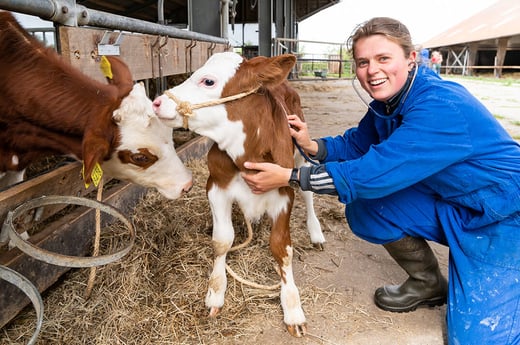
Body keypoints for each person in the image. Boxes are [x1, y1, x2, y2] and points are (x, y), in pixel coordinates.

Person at [241, 17, 520, 344]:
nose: (372, 70)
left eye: (383, 58)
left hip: (503, 218)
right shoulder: (388, 103)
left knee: (479, 340)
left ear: (411, 58)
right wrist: (312, 146)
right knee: (367, 207)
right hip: (456, 204)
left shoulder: (440, 106)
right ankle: (428, 283)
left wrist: (290, 177)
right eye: (363, 62)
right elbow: (360, 143)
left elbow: (372, 173)